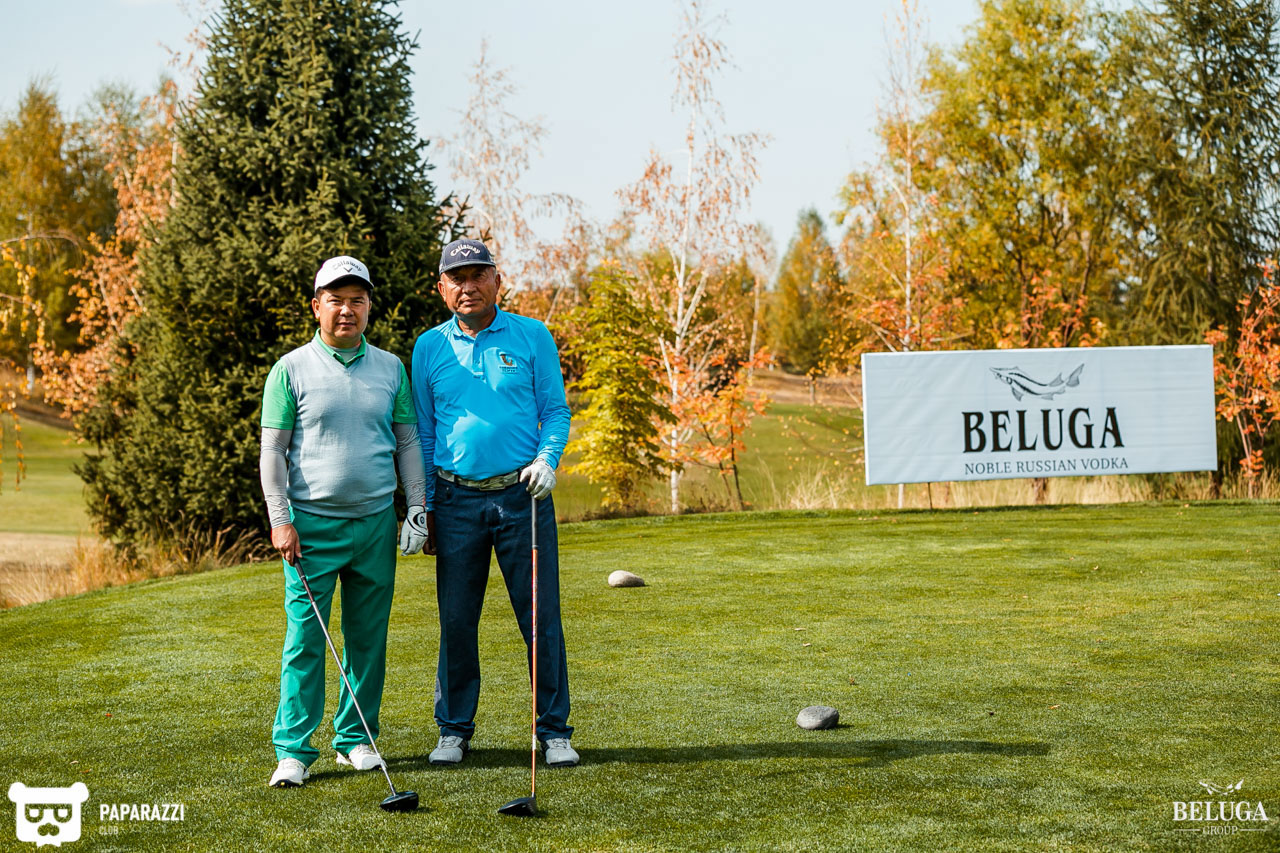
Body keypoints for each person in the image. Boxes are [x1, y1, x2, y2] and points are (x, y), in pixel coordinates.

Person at [259, 255, 429, 788]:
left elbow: (407, 441)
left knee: (367, 639)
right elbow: (272, 450)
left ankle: (356, 739)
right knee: (305, 641)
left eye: (358, 300)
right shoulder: (290, 369)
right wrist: (280, 519)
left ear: (369, 307)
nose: (347, 310)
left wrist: (417, 507)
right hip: (311, 527)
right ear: (317, 306)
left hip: (375, 523)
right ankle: (293, 751)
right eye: (336, 300)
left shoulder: (391, 368)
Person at [411, 238, 577, 768]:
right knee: (457, 621)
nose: (469, 286)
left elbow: (555, 411)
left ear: (497, 282)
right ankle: (454, 729)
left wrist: (548, 459)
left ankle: (553, 731)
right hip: (455, 499)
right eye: (457, 278)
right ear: (441, 289)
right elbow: (425, 433)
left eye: (478, 275)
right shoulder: (428, 347)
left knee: (540, 619)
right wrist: (426, 506)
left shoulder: (532, 335)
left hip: (523, 496)